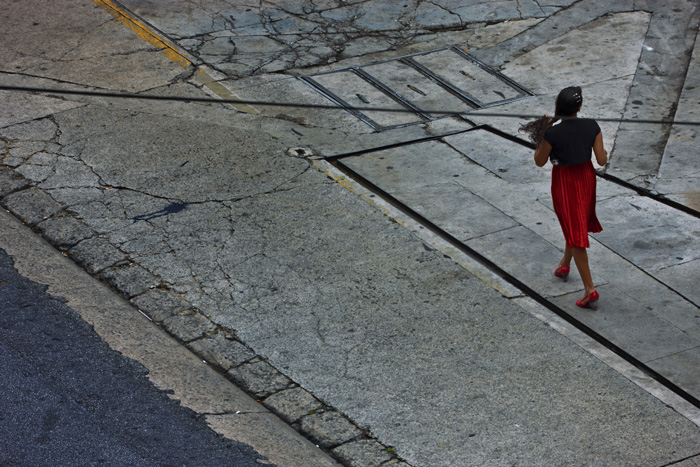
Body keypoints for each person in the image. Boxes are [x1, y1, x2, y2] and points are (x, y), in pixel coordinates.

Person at [521, 86, 608, 309]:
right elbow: (601, 160)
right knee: (575, 225)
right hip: (587, 179)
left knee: (574, 229)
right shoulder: (592, 126)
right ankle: (564, 265)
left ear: (559, 106)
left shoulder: (553, 133)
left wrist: (544, 133)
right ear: (579, 107)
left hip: (565, 182)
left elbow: (540, 161)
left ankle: (590, 289)